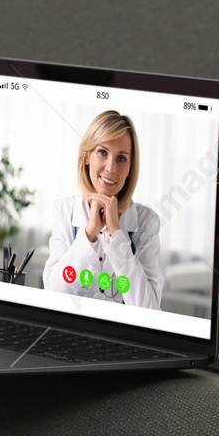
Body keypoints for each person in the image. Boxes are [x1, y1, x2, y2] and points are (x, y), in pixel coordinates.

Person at [40, 109, 163, 310]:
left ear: (130, 168)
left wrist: (116, 235)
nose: (111, 167)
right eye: (103, 152)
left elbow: (149, 311)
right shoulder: (64, 210)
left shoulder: (147, 222)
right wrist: (89, 234)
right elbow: (53, 295)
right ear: (87, 156)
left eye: (121, 158)